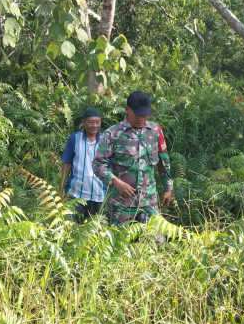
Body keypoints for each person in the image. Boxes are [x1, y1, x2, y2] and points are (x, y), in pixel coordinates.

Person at [92, 91, 173, 226]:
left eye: (145, 114)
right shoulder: (113, 134)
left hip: (149, 201)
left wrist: (168, 188)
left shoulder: (155, 130)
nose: (141, 118)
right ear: (127, 110)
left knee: (157, 243)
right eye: (137, 114)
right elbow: (98, 164)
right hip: (122, 204)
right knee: (122, 243)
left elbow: (164, 161)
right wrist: (116, 182)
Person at [59, 107, 104, 222]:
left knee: (96, 229)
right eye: (91, 122)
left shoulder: (105, 140)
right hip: (75, 192)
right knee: (69, 225)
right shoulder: (75, 138)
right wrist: (61, 189)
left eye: (97, 122)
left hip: (99, 193)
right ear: (83, 122)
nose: (94, 125)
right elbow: (66, 164)